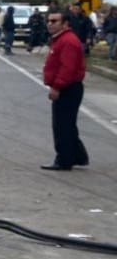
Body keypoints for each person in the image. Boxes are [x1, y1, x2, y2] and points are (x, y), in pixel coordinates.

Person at [41, 9, 89, 171]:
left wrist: (57, 87)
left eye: (54, 21)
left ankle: (64, 159)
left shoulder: (68, 41)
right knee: (67, 124)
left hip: (68, 88)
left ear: (65, 23)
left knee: (62, 126)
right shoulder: (60, 40)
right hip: (67, 87)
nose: (50, 24)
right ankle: (77, 155)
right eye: (49, 21)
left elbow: (67, 68)